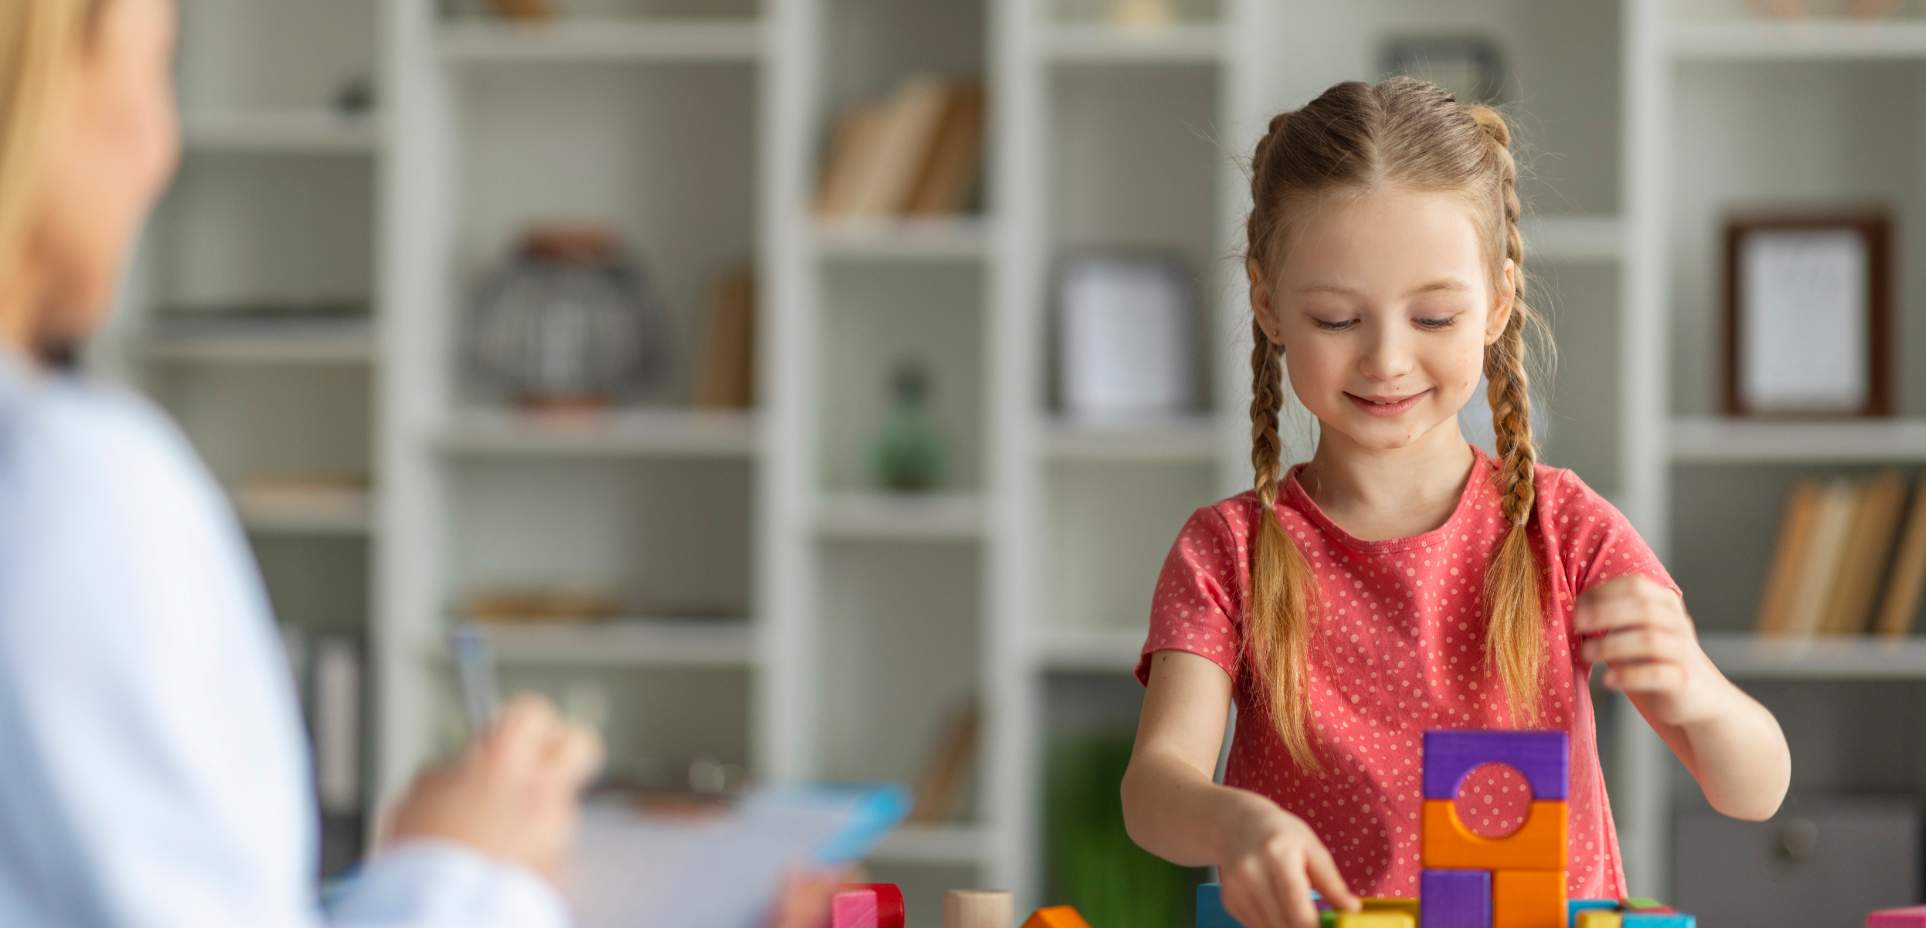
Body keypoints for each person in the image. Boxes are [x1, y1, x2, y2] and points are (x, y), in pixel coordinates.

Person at [0, 2, 829, 925]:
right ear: (33, 87)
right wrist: (464, 869)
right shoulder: (66, 482)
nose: (162, 143)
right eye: (153, 66)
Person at [1118, 77, 1792, 928]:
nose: (1387, 360)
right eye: (1336, 320)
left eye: (1434, 318)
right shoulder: (1229, 549)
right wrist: (1234, 819)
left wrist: (1697, 686)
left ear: (1498, 302)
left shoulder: (1566, 530)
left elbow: (1755, 791)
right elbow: (1154, 789)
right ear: (1268, 305)